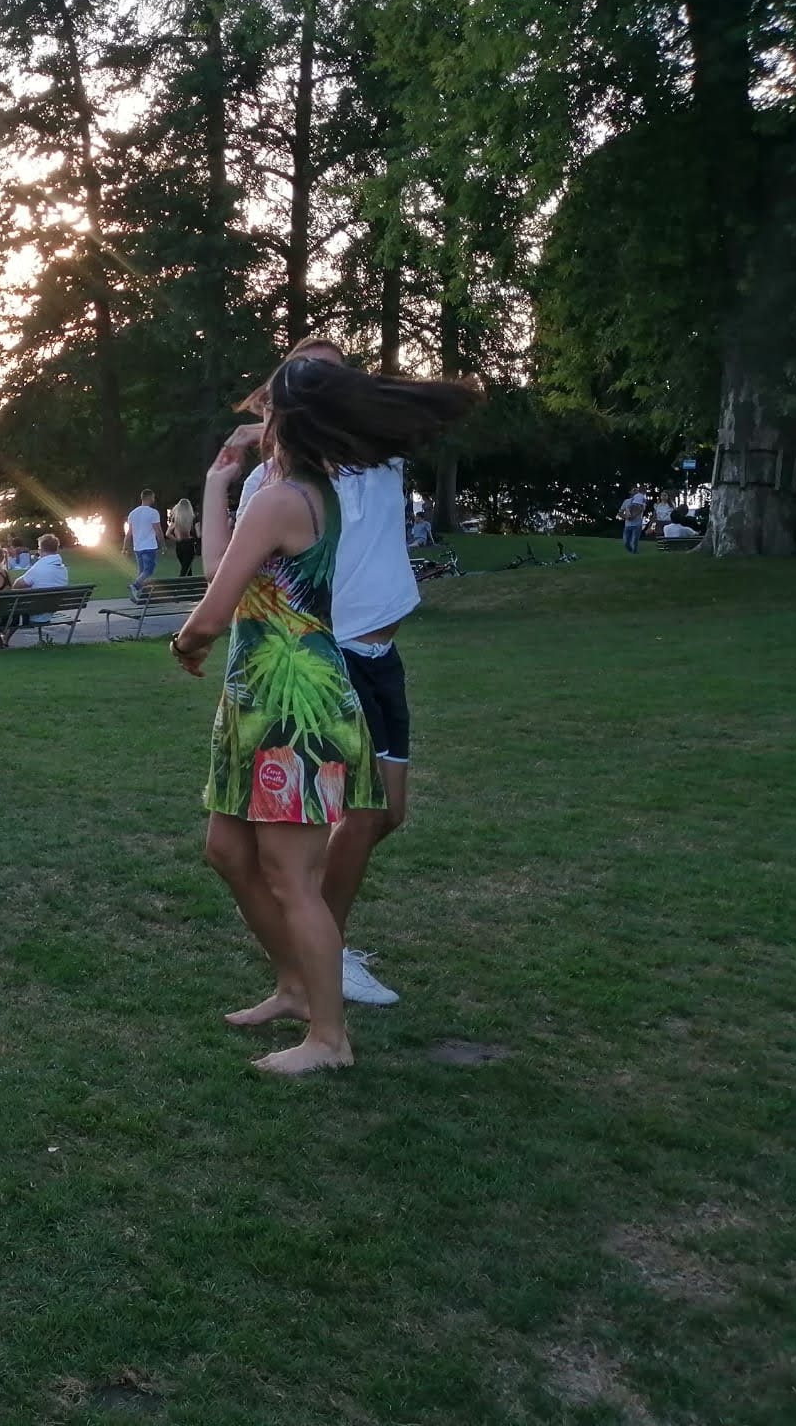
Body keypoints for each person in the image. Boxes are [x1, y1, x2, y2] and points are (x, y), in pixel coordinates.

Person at [175, 356, 478, 1074]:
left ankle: (328, 1038)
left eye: (269, 409)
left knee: (288, 872)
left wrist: (185, 642)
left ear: (288, 420)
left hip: (291, 699)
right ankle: (293, 989)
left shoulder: (290, 499)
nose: (259, 419)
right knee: (227, 849)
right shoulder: (289, 493)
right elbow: (230, 568)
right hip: (260, 694)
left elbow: (213, 609)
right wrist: (219, 481)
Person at [126, 489, 163, 588]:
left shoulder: (132, 513)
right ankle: (135, 586)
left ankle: (139, 593)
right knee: (149, 570)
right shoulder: (153, 513)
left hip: (137, 547)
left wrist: (125, 547)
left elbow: (129, 533)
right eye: (153, 497)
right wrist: (163, 545)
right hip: (150, 546)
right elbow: (158, 530)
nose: (154, 499)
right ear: (150, 498)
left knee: (141, 571)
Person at [168, 497, 200, 576]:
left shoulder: (175, 519)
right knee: (185, 569)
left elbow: (167, 533)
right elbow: (199, 534)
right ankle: (178, 586)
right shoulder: (193, 518)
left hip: (179, 546)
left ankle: (190, 587)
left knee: (187, 568)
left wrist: (177, 540)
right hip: (189, 545)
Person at [619, 487, 648, 552]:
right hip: (627, 525)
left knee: (634, 542)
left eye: (636, 490)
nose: (635, 491)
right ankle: (632, 553)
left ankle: (634, 554)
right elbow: (620, 513)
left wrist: (634, 515)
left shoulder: (641, 500)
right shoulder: (626, 501)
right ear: (630, 492)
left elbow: (642, 509)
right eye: (633, 490)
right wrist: (626, 517)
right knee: (626, 542)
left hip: (637, 524)